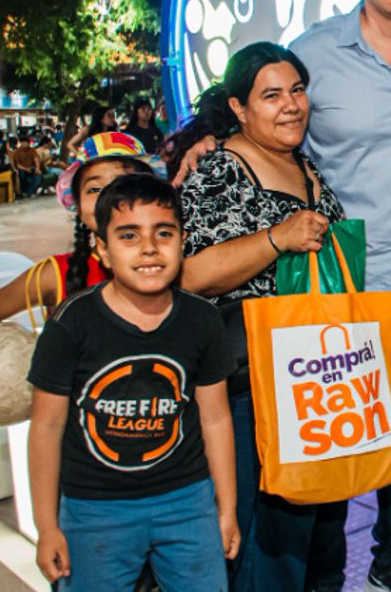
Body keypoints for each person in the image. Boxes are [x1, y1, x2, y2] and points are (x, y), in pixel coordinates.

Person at [173, 0, 391, 591]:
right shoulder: (314, 51)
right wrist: (208, 141)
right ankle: (312, 562)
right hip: (348, 286)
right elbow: (259, 111)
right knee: (332, 428)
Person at [172, 42, 347, 592]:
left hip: (318, 382)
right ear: (240, 108)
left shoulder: (302, 161)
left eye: (297, 90)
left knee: (321, 534)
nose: (291, 105)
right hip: (256, 387)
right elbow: (191, 275)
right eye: (271, 95)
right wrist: (277, 237)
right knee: (272, 541)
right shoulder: (220, 166)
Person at [27, 172, 239, 590]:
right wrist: (46, 526)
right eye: (128, 236)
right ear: (102, 250)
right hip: (95, 510)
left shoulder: (202, 320)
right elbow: (46, 427)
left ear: (182, 240)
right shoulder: (72, 323)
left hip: (187, 502)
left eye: (164, 233)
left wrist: (226, 507)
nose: (148, 248)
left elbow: (215, 418)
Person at [0, 132, 164, 323]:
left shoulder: (171, 264)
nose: (109, 196)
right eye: (94, 189)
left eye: (123, 183)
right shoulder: (55, 274)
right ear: (78, 207)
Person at [10, 131, 42, 198]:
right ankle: (23, 191)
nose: (24, 144)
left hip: (31, 168)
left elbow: (36, 159)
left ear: (28, 143)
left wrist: (37, 168)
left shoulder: (32, 150)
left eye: (25, 142)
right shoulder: (17, 152)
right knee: (21, 174)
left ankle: (30, 191)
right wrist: (26, 169)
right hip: (22, 169)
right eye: (22, 142)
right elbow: (17, 164)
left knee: (38, 174)